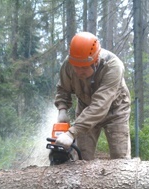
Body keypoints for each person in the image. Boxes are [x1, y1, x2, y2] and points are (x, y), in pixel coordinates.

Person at [54, 31, 131, 161]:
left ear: (95, 62)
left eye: (83, 68)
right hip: (85, 107)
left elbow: (100, 105)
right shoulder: (69, 64)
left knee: (120, 157)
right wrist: (62, 109)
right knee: (81, 156)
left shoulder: (112, 66)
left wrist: (72, 133)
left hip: (115, 109)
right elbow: (63, 88)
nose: (78, 71)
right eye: (76, 67)